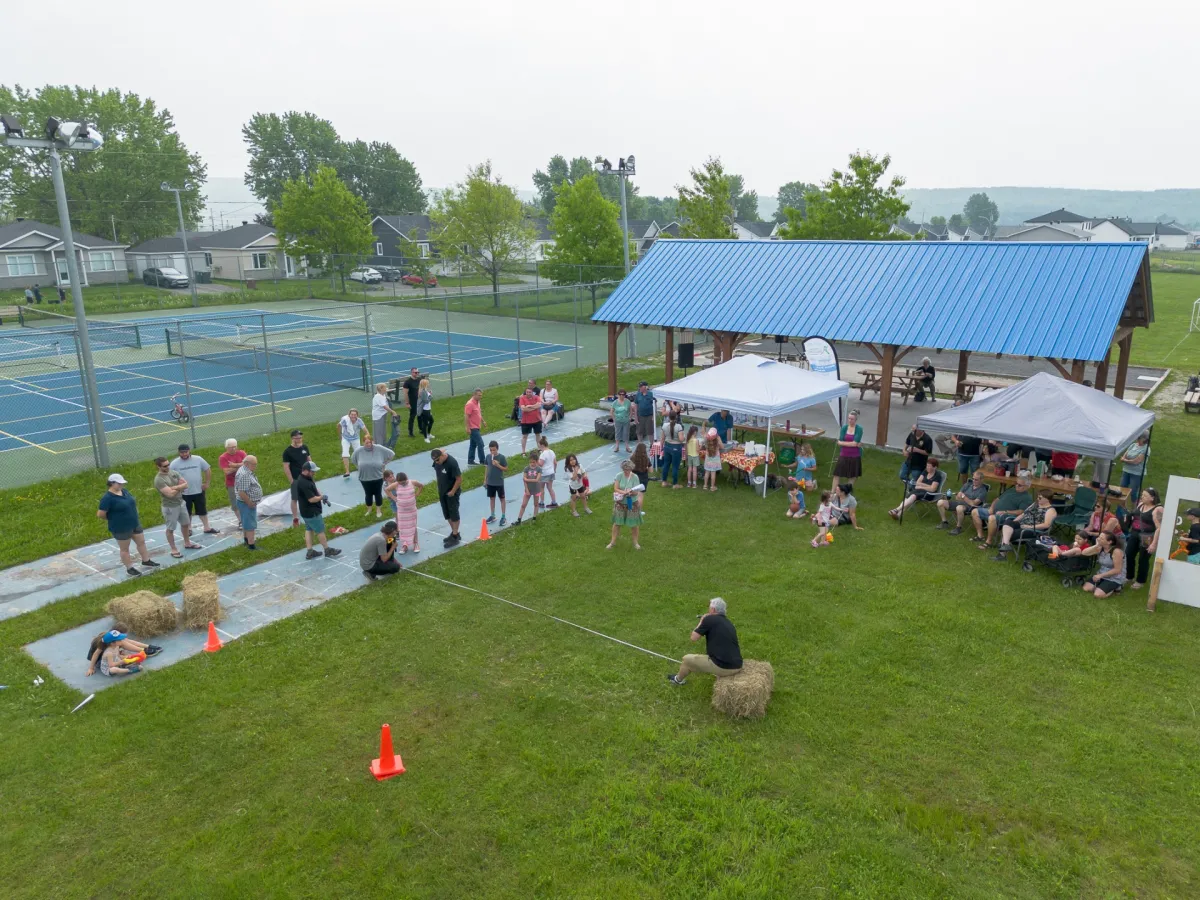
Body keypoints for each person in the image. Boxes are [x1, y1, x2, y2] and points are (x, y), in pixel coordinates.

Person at [666, 597, 742, 686]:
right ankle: (680, 676)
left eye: (709, 608)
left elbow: (693, 638)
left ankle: (677, 680)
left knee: (687, 659)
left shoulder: (709, 619)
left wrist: (702, 621)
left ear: (713, 609)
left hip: (724, 667)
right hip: (737, 665)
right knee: (693, 660)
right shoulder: (728, 622)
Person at [97, 473, 161, 577]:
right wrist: (114, 519)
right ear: (112, 483)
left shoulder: (124, 492)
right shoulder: (107, 498)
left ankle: (146, 560)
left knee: (141, 542)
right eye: (119, 483)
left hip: (134, 523)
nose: (122, 485)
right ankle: (129, 568)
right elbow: (101, 514)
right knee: (125, 549)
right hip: (121, 527)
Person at [292, 461, 342, 560]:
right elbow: (311, 499)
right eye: (312, 471)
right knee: (320, 530)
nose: (314, 473)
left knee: (309, 529)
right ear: (306, 471)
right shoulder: (304, 483)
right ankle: (327, 550)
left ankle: (310, 551)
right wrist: (321, 497)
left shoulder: (305, 478)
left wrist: (320, 496)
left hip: (305, 511)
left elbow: (314, 488)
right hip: (312, 512)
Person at [992, 489, 1058, 561]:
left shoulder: (1051, 510)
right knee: (1008, 523)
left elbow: (1046, 525)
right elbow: (1023, 514)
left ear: (1047, 499)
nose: (1037, 499)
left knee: (1009, 533)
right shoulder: (1035, 504)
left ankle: (1002, 554)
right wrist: (1012, 523)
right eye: (1037, 497)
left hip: (1034, 530)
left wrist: (1029, 527)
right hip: (1022, 524)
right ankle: (1005, 546)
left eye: (1040, 498)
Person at [1057, 531, 1127, 598]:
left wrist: (1100, 575)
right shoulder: (1100, 548)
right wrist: (1096, 546)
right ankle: (1102, 586)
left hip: (1115, 577)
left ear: (1109, 542)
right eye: (1099, 537)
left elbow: (1117, 570)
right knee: (1085, 588)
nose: (1098, 539)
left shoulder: (1116, 551)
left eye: (1101, 538)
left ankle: (1116, 587)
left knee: (1097, 595)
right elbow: (1084, 552)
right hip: (1102, 572)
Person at [153, 456, 199, 558]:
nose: (167, 467)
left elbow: (186, 484)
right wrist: (179, 487)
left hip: (180, 503)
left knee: (186, 524)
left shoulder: (173, 473)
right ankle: (173, 549)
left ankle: (187, 543)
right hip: (170, 507)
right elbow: (169, 494)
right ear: (158, 467)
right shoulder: (159, 479)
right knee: (171, 528)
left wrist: (175, 487)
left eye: (168, 464)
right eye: (165, 466)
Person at [973, 475, 1032, 549]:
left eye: (1019, 485)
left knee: (992, 518)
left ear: (1027, 486)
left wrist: (1005, 512)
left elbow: (1021, 512)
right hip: (994, 511)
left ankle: (989, 542)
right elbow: (996, 499)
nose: (1016, 486)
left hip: (1006, 516)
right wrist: (991, 507)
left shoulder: (1027, 498)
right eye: (1016, 483)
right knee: (975, 511)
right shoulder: (1011, 490)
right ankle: (980, 535)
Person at [170, 444, 218, 534]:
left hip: (198, 490)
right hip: (184, 493)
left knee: (202, 510)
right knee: (187, 512)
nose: (184, 454)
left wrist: (207, 483)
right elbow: (170, 477)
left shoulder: (198, 459)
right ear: (178, 452)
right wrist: (177, 488)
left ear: (189, 451)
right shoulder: (174, 463)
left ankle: (207, 528)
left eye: (186, 452)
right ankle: (189, 529)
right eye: (182, 452)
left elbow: (207, 469)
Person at [1125, 487, 1163, 589]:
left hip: (1147, 535)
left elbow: (1159, 528)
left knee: (1143, 558)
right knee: (1129, 554)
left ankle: (1140, 580)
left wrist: (1154, 543)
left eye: (1145, 496)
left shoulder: (1157, 509)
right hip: (1134, 532)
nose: (1142, 497)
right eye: (1142, 495)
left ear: (1152, 498)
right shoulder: (1141, 504)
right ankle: (1129, 576)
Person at [86, 626, 160, 677]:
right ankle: (129, 669)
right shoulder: (102, 647)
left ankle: (146, 648)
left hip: (114, 659)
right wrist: (91, 668)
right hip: (103, 663)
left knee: (124, 643)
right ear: (112, 642)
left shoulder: (114, 644)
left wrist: (129, 658)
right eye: (119, 639)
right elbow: (96, 655)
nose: (121, 640)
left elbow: (118, 655)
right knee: (116, 667)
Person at [352, 433, 396, 519]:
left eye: (370, 442)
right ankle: (369, 509)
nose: (368, 444)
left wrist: (384, 463)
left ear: (373, 442)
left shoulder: (378, 448)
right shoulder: (359, 450)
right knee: (368, 494)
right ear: (363, 442)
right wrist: (359, 467)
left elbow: (392, 454)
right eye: (366, 443)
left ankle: (378, 510)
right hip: (364, 477)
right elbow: (353, 459)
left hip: (378, 477)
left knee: (377, 493)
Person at [936, 468, 988, 534]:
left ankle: (958, 528)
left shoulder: (983, 491)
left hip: (971, 508)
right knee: (940, 502)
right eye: (973, 478)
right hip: (959, 502)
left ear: (982, 480)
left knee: (959, 508)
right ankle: (944, 522)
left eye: (976, 480)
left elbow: (973, 503)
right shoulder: (968, 484)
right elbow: (957, 497)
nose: (974, 481)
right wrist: (964, 498)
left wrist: (963, 497)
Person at [608, 459, 643, 550]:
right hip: (620, 503)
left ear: (631, 469)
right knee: (617, 523)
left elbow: (637, 492)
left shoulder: (635, 477)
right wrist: (624, 492)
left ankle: (635, 543)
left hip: (632, 503)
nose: (626, 471)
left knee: (634, 524)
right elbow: (616, 488)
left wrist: (631, 492)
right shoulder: (619, 476)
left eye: (628, 469)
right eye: (624, 469)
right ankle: (613, 542)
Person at [431, 448, 463, 546]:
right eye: (435, 461)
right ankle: (455, 533)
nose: (436, 462)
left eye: (437, 460)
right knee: (447, 514)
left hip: (451, 492)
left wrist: (453, 491)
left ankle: (455, 536)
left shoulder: (451, 463)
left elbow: (459, 479)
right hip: (442, 492)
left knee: (454, 513)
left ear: (442, 456)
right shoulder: (437, 462)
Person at [281, 429, 312, 525]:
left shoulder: (305, 447)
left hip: (307, 477)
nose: (299, 439)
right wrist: (291, 480)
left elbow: (309, 461)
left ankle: (309, 514)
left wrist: (311, 473)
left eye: (300, 437)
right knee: (295, 498)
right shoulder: (287, 452)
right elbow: (286, 467)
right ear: (292, 438)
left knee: (309, 496)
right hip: (296, 478)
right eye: (297, 438)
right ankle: (295, 518)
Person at [234, 455, 263, 550]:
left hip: (244, 502)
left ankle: (246, 540)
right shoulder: (244, 474)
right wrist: (249, 502)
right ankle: (251, 545)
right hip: (246, 503)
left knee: (246, 522)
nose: (255, 466)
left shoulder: (244, 469)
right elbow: (241, 492)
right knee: (250, 524)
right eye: (253, 464)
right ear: (246, 464)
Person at [391, 472, 424, 553]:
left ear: (407, 479)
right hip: (402, 511)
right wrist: (393, 498)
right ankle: (405, 545)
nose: (403, 483)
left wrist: (416, 495)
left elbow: (421, 486)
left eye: (404, 482)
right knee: (402, 528)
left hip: (411, 509)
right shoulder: (396, 485)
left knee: (413, 526)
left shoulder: (412, 482)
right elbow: (387, 490)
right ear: (397, 481)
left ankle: (416, 543)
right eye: (400, 482)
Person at [831, 409, 863, 491]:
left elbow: (854, 443)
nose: (850, 420)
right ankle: (832, 492)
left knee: (852, 476)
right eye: (849, 418)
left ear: (855, 420)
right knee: (836, 474)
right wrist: (852, 444)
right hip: (844, 454)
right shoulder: (845, 428)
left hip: (855, 455)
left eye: (852, 419)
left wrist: (844, 443)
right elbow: (840, 441)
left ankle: (847, 492)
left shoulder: (859, 429)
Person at [337, 408, 368, 478]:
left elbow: (366, 431)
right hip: (346, 438)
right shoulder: (345, 420)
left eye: (355, 415)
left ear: (357, 415)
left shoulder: (359, 421)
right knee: (345, 454)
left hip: (355, 438)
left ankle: (360, 468)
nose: (353, 416)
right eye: (352, 414)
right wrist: (340, 435)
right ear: (349, 415)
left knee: (358, 453)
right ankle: (347, 471)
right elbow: (338, 426)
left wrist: (367, 439)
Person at [1119, 432, 1150, 498]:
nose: (1137, 439)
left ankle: (1134, 507)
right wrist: (1127, 460)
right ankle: (1120, 508)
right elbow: (1123, 458)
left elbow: (1137, 461)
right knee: (1122, 490)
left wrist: (1126, 460)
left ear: (1145, 439)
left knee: (1133, 492)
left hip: (1137, 473)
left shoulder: (1146, 448)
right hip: (1126, 470)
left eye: (1139, 438)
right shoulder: (1133, 445)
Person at [516, 450, 543, 524]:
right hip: (528, 489)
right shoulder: (526, 468)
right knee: (523, 504)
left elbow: (537, 480)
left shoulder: (539, 469)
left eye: (533, 462)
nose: (532, 464)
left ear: (537, 461)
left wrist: (527, 479)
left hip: (536, 489)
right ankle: (519, 519)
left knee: (536, 504)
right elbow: (524, 480)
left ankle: (534, 517)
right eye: (530, 462)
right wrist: (527, 489)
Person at [484, 440, 508, 527]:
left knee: (502, 499)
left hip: (499, 482)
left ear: (497, 449)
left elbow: (506, 469)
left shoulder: (501, 457)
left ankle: (503, 516)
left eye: (494, 450)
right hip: (490, 482)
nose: (492, 452)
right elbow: (487, 469)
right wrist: (485, 480)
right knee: (492, 498)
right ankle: (493, 515)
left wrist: (498, 465)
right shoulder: (487, 457)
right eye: (491, 450)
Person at [218, 438, 247, 510]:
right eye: (231, 447)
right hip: (232, 483)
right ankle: (240, 520)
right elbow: (227, 471)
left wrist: (235, 465)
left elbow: (248, 464)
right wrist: (241, 466)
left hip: (244, 480)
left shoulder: (242, 453)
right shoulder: (223, 457)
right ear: (226, 447)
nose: (234, 449)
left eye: (235, 446)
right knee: (235, 503)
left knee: (247, 500)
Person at [660, 412, 685, 489]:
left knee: (666, 464)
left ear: (669, 417)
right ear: (676, 417)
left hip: (667, 446)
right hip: (676, 447)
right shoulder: (678, 426)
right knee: (675, 466)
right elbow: (681, 439)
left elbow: (662, 438)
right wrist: (684, 437)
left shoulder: (664, 425)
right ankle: (675, 484)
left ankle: (664, 481)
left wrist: (662, 447)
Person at [464, 388, 486, 465]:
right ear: (474, 395)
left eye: (481, 395)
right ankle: (483, 461)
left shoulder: (477, 402)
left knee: (473, 444)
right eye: (479, 395)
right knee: (480, 444)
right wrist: (467, 427)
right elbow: (466, 416)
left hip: (477, 426)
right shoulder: (469, 404)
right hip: (473, 428)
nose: (481, 397)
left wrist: (483, 421)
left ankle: (470, 460)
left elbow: (478, 413)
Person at [536, 435, 559, 509]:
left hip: (544, 473)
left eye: (539, 445)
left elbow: (541, 464)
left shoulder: (543, 454)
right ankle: (554, 502)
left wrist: (536, 460)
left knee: (541, 488)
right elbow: (555, 462)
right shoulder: (552, 451)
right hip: (551, 472)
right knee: (550, 488)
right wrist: (554, 470)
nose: (538, 447)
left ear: (542, 445)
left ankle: (541, 502)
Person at [518, 385, 542, 453]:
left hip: (537, 420)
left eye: (530, 392)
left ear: (532, 392)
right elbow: (523, 409)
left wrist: (529, 406)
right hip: (526, 421)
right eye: (527, 392)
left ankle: (539, 448)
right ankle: (523, 452)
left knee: (538, 434)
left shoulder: (536, 397)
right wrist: (534, 407)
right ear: (526, 392)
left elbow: (539, 405)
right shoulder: (522, 398)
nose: (528, 393)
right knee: (524, 436)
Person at [401, 367, 422, 438]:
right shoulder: (408, 382)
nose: (417, 374)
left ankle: (421, 429)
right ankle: (410, 432)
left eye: (418, 372)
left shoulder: (419, 380)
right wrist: (407, 403)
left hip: (420, 401)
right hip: (413, 402)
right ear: (412, 373)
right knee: (412, 416)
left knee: (420, 416)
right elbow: (405, 393)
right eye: (415, 372)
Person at [416, 378, 435, 443]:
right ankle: (425, 437)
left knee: (431, 421)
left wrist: (429, 393)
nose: (428, 384)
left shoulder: (425, 390)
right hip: (424, 410)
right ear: (424, 384)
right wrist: (430, 396)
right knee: (425, 423)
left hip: (428, 409)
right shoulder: (423, 392)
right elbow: (426, 401)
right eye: (427, 383)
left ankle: (428, 434)